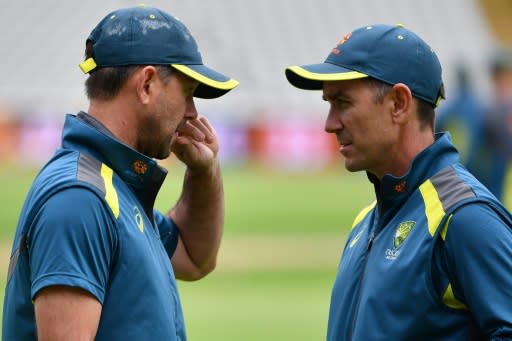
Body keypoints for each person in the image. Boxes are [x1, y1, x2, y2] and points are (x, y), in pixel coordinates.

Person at [3, 5, 238, 341]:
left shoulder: (112, 187)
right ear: (146, 84)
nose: (193, 113)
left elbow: (194, 257)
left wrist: (204, 171)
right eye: (187, 94)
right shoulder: (80, 199)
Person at [285, 24, 512, 340]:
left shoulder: (464, 217)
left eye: (343, 103)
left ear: (399, 103)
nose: (330, 124)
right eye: (328, 104)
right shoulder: (368, 219)